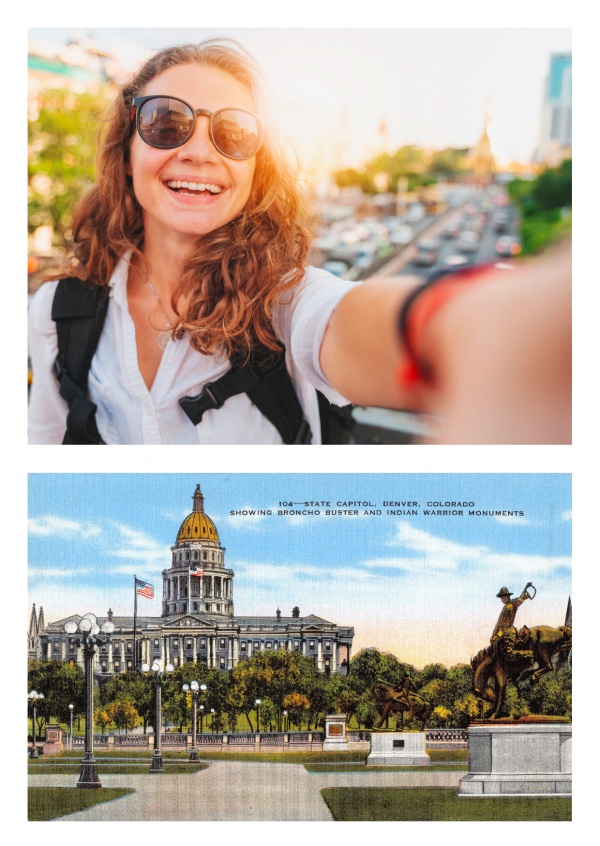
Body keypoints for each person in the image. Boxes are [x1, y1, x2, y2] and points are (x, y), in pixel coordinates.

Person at [28, 39, 572, 445]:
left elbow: (349, 323)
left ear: (256, 169)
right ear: (127, 149)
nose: (199, 151)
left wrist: (474, 327)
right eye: (166, 122)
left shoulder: (282, 303)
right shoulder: (57, 313)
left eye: (234, 133)